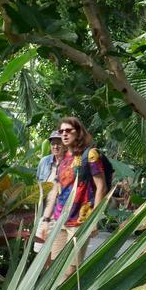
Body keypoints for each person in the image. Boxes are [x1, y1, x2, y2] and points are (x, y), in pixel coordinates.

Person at [38, 117, 107, 279]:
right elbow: (55, 191)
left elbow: (101, 186)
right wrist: (46, 221)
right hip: (59, 221)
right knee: (55, 268)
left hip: (79, 222)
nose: (64, 134)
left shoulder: (90, 155)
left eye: (69, 131)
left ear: (79, 132)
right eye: (62, 131)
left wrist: (95, 219)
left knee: (70, 270)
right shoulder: (63, 160)